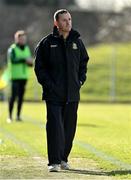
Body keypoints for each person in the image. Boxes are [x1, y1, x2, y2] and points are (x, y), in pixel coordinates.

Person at [34, 9, 89, 172]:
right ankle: (54, 162)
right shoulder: (46, 43)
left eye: (70, 19)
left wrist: (80, 80)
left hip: (72, 94)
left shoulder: (77, 42)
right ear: (56, 23)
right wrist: (49, 85)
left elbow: (83, 63)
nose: (68, 22)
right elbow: (40, 68)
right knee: (54, 128)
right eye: (64, 20)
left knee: (69, 129)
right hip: (53, 95)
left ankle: (64, 158)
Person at [7, 30, 33, 123]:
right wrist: (24, 59)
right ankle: (10, 116)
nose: (23, 40)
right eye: (21, 38)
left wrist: (30, 63)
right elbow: (13, 60)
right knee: (13, 97)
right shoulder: (12, 49)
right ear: (17, 39)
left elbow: (29, 62)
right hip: (15, 77)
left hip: (24, 77)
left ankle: (18, 116)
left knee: (21, 97)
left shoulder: (26, 48)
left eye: (24, 38)